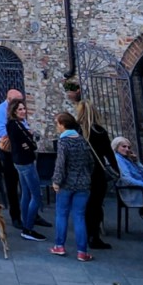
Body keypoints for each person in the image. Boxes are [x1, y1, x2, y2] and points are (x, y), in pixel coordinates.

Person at [65, 80, 114, 250]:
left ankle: (82, 237)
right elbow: (109, 153)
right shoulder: (99, 131)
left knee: (82, 206)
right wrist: (116, 170)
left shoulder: (74, 132)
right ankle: (94, 236)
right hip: (96, 173)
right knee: (95, 205)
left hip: (79, 174)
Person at [50, 112, 95, 261]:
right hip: (83, 183)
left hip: (66, 184)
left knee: (62, 214)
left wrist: (56, 181)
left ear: (62, 125)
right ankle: (82, 251)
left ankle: (59, 246)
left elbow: (60, 164)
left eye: (57, 123)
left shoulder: (63, 142)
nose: (57, 127)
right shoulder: (83, 140)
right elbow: (91, 162)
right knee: (79, 216)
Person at [5, 98, 45, 241]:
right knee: (36, 195)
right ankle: (28, 228)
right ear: (14, 111)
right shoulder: (16, 125)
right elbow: (26, 143)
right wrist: (30, 139)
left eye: (23, 109)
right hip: (25, 162)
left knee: (26, 193)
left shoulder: (13, 125)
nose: (23, 111)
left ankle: (26, 222)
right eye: (19, 109)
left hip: (19, 161)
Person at [0, 87, 24, 229]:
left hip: (21, 151)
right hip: (9, 151)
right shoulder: (0, 110)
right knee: (12, 183)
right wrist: (17, 138)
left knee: (25, 184)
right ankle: (15, 216)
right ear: (9, 99)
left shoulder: (18, 111)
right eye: (17, 101)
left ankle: (31, 214)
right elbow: (0, 132)